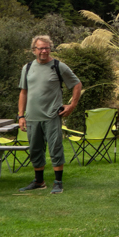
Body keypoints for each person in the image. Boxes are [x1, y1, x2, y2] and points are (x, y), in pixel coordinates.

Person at [17, 35, 82, 194]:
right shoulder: (27, 68)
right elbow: (23, 92)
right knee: (35, 149)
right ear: (34, 50)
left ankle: (58, 182)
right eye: (41, 48)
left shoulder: (58, 66)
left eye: (47, 48)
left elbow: (77, 84)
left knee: (55, 148)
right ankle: (39, 181)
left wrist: (72, 105)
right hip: (32, 117)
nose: (44, 51)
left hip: (52, 116)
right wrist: (21, 116)